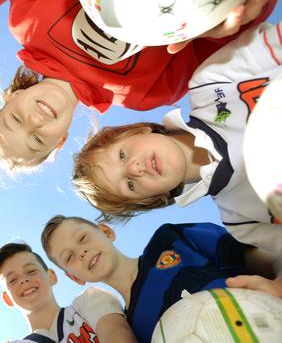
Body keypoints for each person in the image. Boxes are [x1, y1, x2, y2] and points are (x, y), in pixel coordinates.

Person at [0, 0, 278, 171]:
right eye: (38, 140)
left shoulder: (25, 21)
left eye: (16, 119)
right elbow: (219, 40)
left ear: (13, 96)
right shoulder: (146, 94)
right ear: (60, 140)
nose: (34, 122)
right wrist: (223, 21)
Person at [71, 21, 282, 256]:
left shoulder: (209, 82)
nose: (134, 168)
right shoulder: (243, 222)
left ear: (138, 130)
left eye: (122, 155)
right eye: (129, 184)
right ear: (152, 199)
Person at [40, 215, 282, 343]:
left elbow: (266, 259)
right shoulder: (130, 330)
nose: (81, 252)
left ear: (106, 232)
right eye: (69, 257)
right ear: (74, 277)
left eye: (82, 238)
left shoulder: (169, 239)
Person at [0, 242, 135, 342]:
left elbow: (115, 332)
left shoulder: (88, 301)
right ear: (7, 298)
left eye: (31, 271)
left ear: (51, 276)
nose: (24, 280)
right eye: (12, 280)